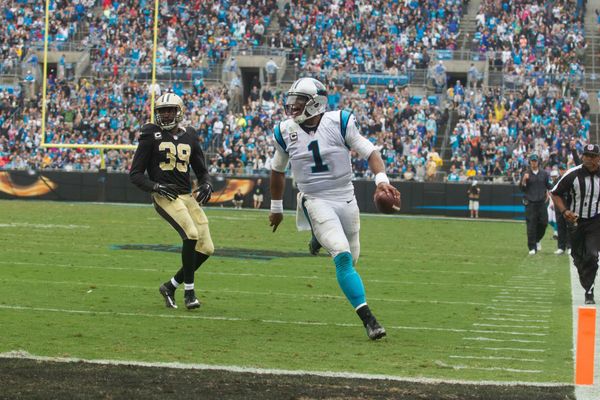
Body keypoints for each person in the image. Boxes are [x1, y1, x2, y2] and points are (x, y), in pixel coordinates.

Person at [268, 77, 400, 340]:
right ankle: (369, 320)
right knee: (341, 257)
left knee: (353, 259)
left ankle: (317, 237)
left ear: (315, 103)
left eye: (299, 101)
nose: (292, 107)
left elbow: (370, 151)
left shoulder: (339, 122)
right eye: (291, 101)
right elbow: (277, 170)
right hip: (314, 198)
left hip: (345, 198)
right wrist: (276, 206)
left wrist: (381, 181)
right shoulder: (285, 131)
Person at [129, 93, 214, 310]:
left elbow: (202, 171)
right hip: (165, 196)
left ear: (179, 112)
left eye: (170, 110)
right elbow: (135, 174)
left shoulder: (190, 136)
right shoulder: (150, 134)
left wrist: (206, 184)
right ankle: (190, 294)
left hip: (187, 196)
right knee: (191, 235)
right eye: (162, 110)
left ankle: (170, 286)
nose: (166, 114)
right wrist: (155, 186)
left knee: (206, 248)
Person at [550, 144, 600, 304]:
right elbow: (555, 193)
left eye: (592, 156)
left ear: (598, 159)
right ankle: (587, 281)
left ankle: (589, 291)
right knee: (578, 257)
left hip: (595, 221)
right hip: (576, 221)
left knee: (592, 254)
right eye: (586, 155)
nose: (588, 159)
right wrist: (565, 211)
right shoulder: (573, 174)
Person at [520, 154, 552, 255]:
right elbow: (521, 188)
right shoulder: (526, 173)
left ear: (538, 162)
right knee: (531, 226)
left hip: (542, 202)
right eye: (532, 161)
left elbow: (549, 185)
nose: (534, 163)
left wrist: (551, 192)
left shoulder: (544, 174)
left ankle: (537, 239)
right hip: (530, 203)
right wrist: (524, 180)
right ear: (530, 162)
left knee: (544, 223)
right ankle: (532, 247)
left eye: (535, 161)